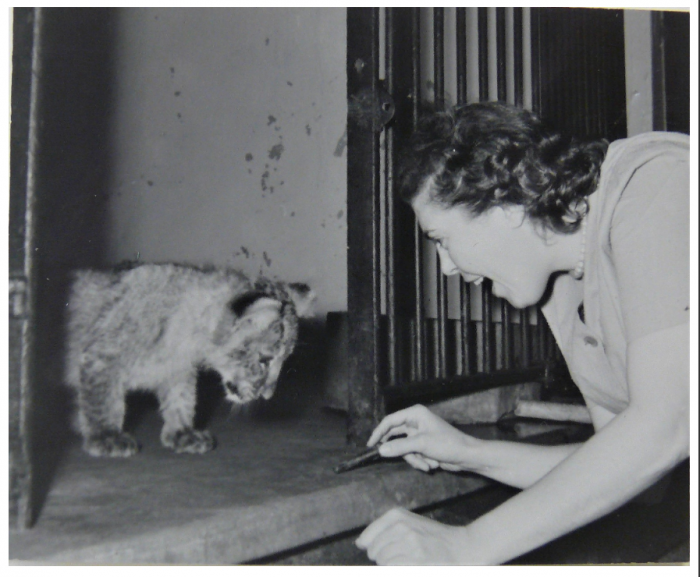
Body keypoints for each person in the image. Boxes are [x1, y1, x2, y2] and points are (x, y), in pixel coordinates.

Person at [354, 102, 690, 565]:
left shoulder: (656, 184)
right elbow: (639, 481)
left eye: (440, 239)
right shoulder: (565, 285)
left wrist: (465, 546)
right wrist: (471, 452)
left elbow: (666, 427)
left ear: (504, 203)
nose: (448, 268)